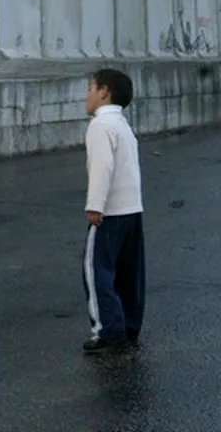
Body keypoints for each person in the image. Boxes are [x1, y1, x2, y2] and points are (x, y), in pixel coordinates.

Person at [81, 68, 145, 354]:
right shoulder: (122, 125)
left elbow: (102, 167)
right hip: (132, 210)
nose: (88, 95)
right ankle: (128, 324)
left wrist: (95, 205)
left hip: (110, 212)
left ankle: (107, 330)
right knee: (129, 272)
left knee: (98, 270)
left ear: (104, 91)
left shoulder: (100, 125)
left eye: (91, 88)